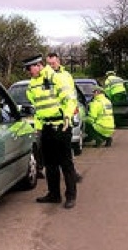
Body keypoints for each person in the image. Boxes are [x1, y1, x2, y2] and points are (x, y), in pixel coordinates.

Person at [23, 54, 78, 209]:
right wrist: (38, 128)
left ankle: (71, 196)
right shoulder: (32, 85)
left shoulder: (57, 78)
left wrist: (67, 116)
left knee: (65, 163)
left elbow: (70, 100)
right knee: (50, 164)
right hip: (46, 128)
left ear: (38, 65)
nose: (28, 72)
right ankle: (54, 194)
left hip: (61, 125)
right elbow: (39, 109)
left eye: (29, 68)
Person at [46, 52, 83, 183]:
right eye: (49, 64)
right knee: (52, 158)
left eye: (53, 63)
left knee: (66, 155)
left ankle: (72, 175)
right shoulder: (45, 77)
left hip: (64, 119)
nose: (51, 66)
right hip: (50, 120)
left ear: (59, 62)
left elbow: (71, 98)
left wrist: (68, 115)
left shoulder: (66, 76)